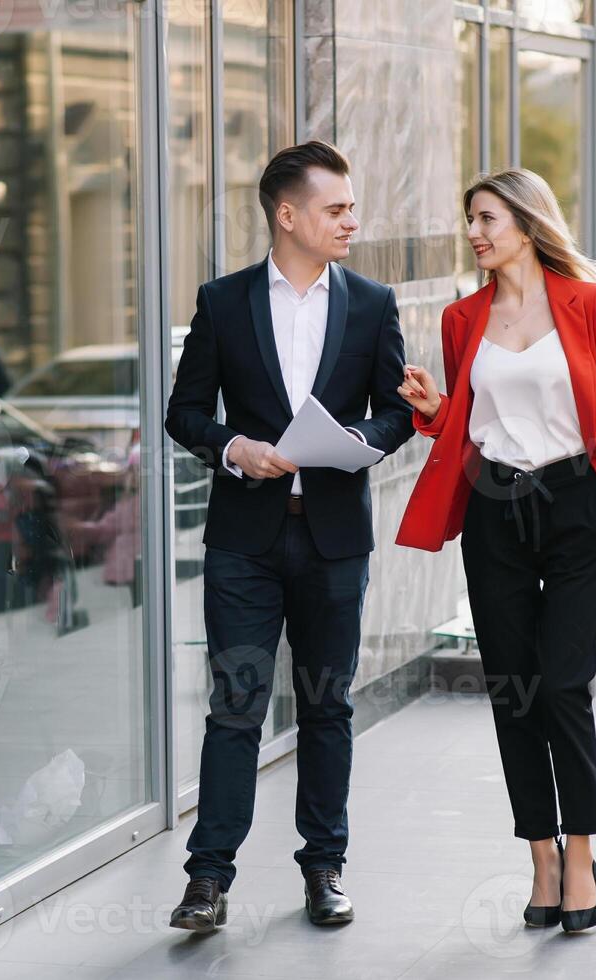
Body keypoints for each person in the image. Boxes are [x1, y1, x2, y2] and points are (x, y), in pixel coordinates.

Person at [164, 139, 414, 931]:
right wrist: (234, 448)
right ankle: (207, 881)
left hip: (335, 537)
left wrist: (359, 441)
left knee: (325, 706)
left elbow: (397, 410)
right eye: (335, 208)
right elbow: (186, 412)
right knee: (234, 705)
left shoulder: (372, 303)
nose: (350, 220)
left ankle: (323, 868)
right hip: (245, 539)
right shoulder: (224, 300)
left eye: (349, 206)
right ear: (287, 214)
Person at [396, 169, 596, 933]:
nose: (474, 233)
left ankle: (580, 855)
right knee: (513, 686)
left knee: (563, 685)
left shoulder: (587, 303)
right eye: (469, 219)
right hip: (495, 511)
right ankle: (538, 853)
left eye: (487, 218)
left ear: (527, 222)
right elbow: (474, 417)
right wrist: (437, 411)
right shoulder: (461, 316)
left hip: (575, 505)